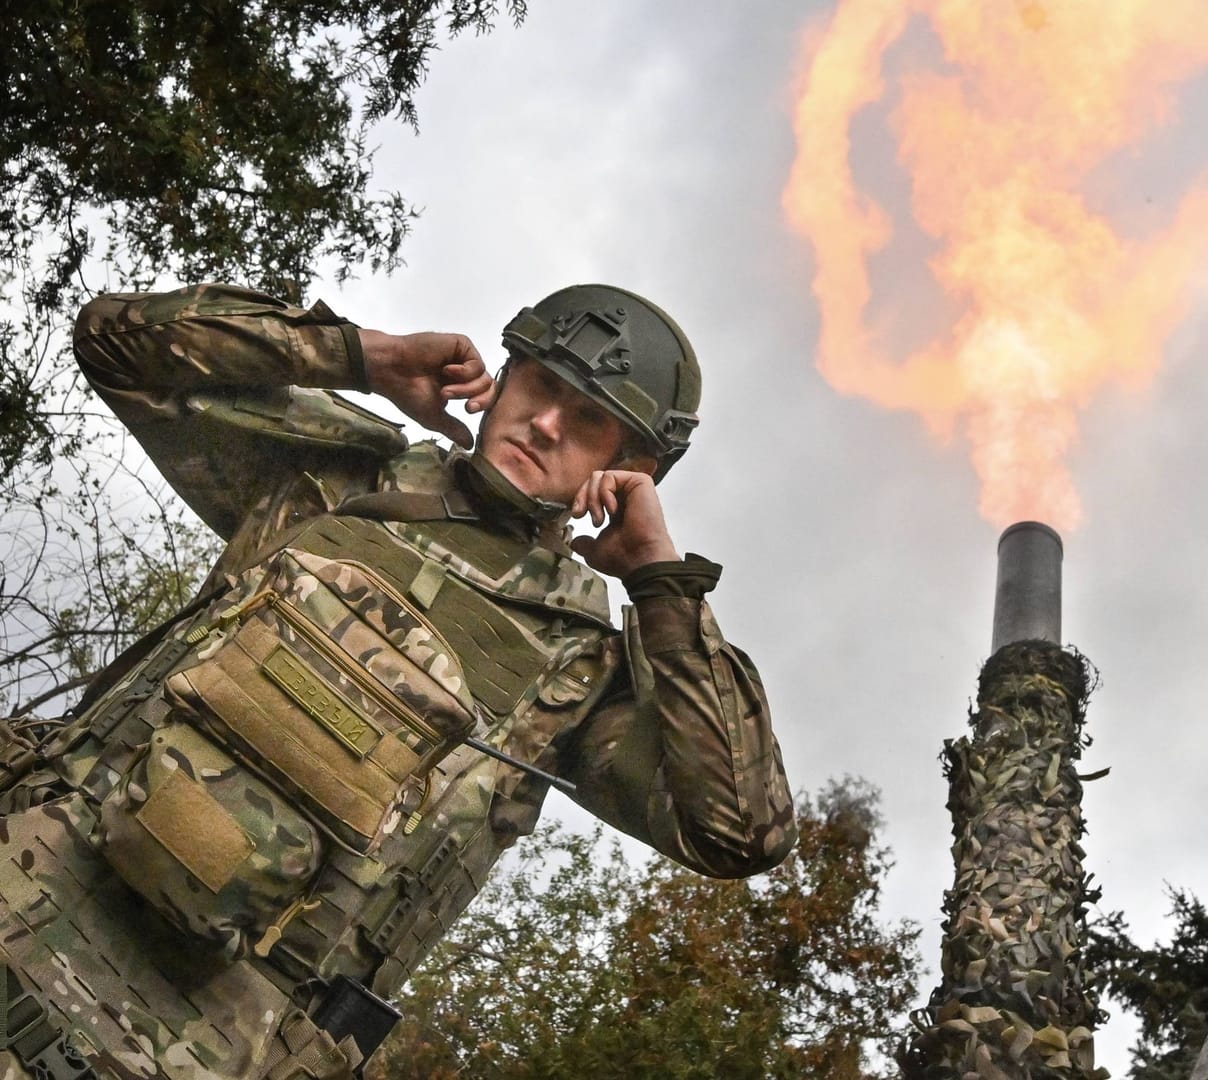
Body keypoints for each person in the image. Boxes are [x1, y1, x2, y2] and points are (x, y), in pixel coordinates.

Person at [0, 283, 794, 1079]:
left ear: (629, 467)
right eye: (543, 386)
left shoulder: (581, 666)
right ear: (504, 376)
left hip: (196, 1050)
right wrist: (363, 356)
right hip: (28, 882)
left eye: (588, 420)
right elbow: (114, 343)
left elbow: (739, 832)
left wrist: (663, 584)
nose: (546, 423)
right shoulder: (342, 472)